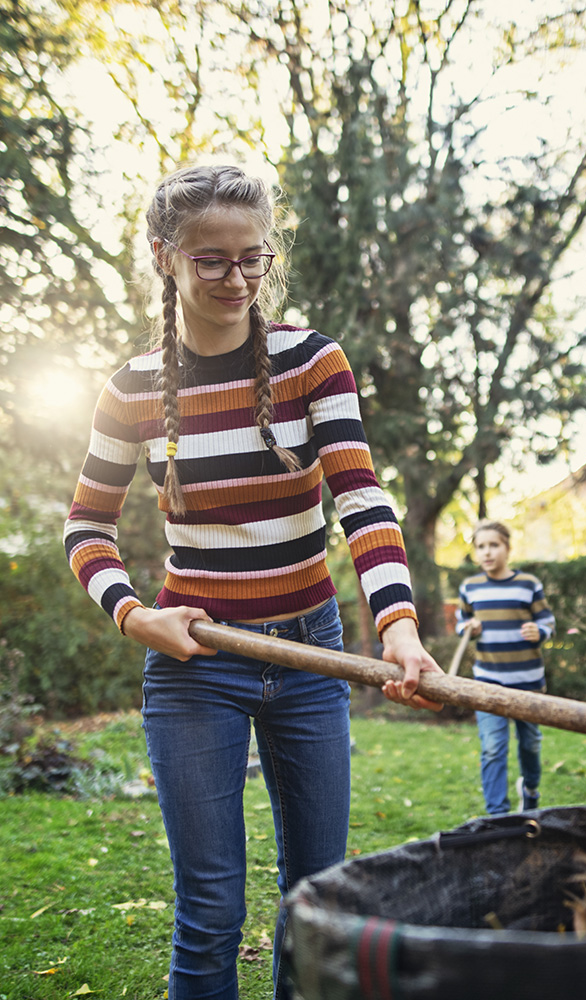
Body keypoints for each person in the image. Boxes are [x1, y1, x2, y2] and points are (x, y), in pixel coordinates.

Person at [62, 163, 441, 1000]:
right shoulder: (130, 389)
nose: (238, 279)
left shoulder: (313, 361)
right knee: (208, 909)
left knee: (317, 899)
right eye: (212, 260)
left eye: (253, 259)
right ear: (165, 256)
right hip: (196, 664)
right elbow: (84, 526)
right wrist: (132, 617)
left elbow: (361, 498)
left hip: (311, 656)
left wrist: (400, 626)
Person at [455, 520, 555, 815]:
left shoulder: (528, 584)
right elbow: (462, 623)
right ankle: (497, 815)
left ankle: (531, 790)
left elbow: (547, 620)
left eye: (494, 545)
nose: (487, 553)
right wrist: (468, 627)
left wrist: (541, 631)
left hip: (528, 682)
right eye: (481, 547)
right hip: (487, 682)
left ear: (507, 549)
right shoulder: (469, 587)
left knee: (531, 744)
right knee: (493, 747)